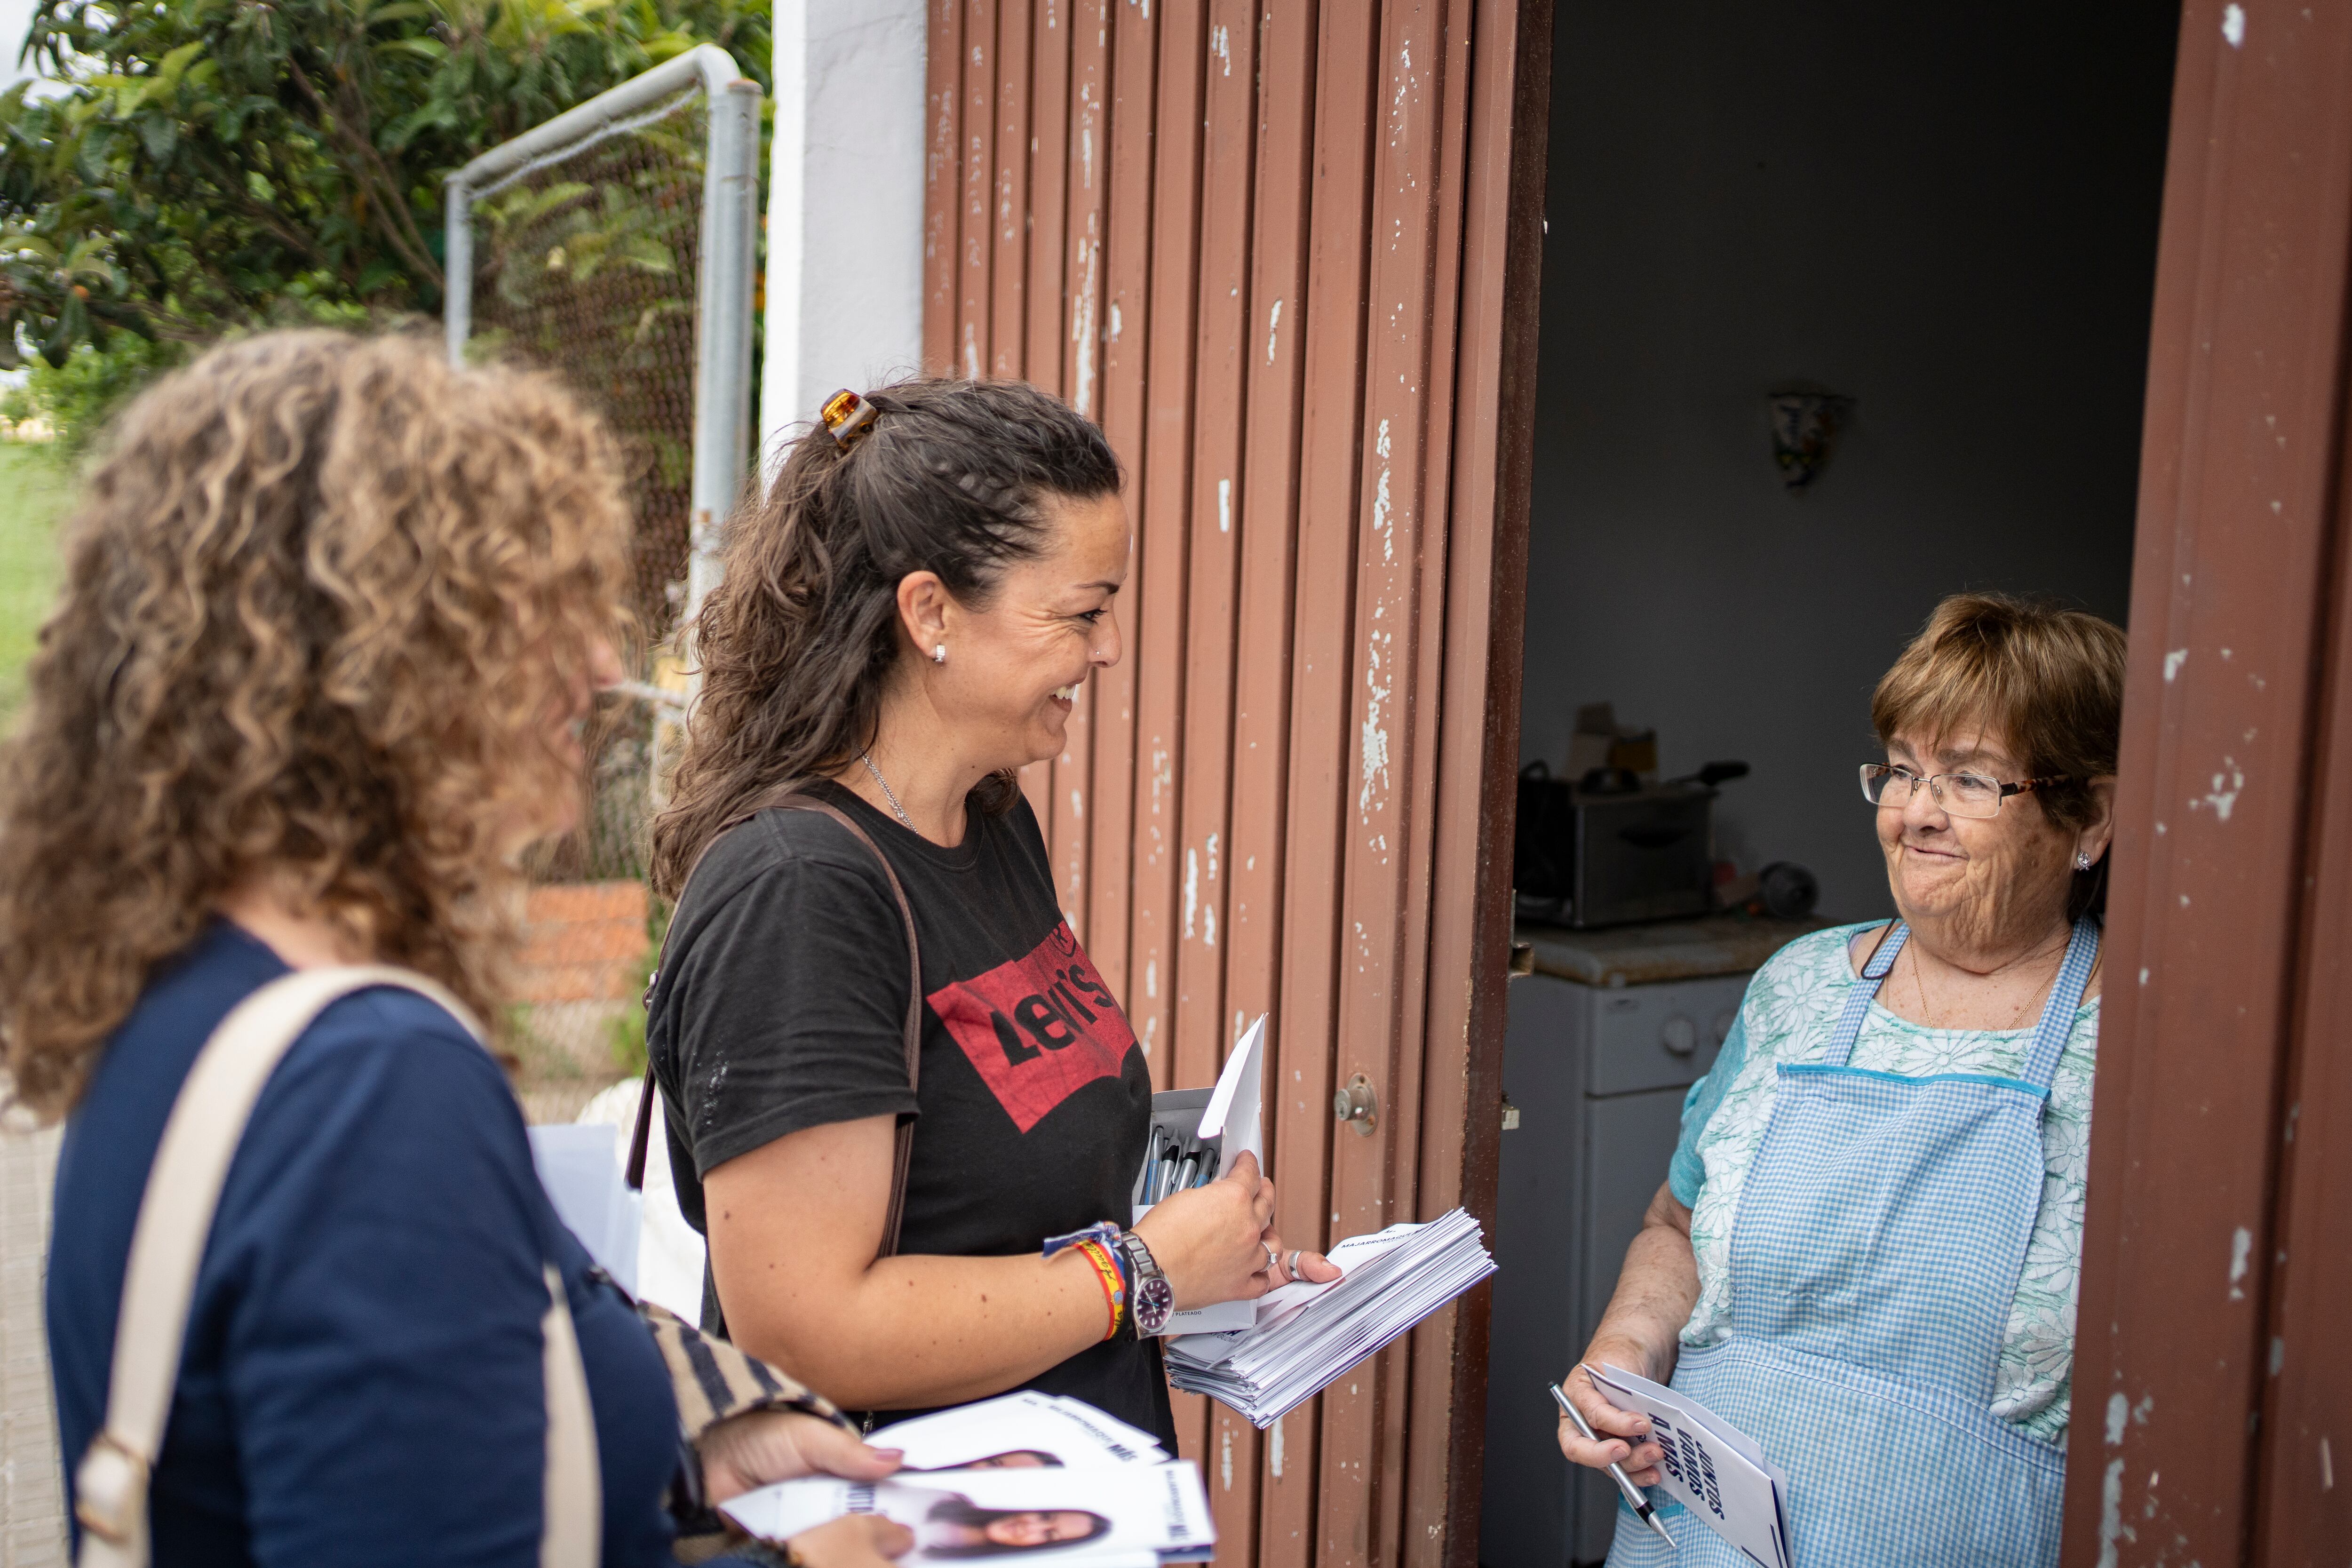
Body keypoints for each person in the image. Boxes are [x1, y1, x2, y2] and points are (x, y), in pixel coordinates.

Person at [0, 332, 912, 1568]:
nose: (598, 669)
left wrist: (682, 1436)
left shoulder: (177, 987)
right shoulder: (368, 1078)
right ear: (367, 662)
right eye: (529, 614)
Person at [644, 379, 1337, 1444]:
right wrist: (1142, 1271)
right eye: (1081, 611)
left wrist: (1208, 1262)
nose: (1106, 649)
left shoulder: (991, 823)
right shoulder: (798, 892)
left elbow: (1006, 1204)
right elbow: (806, 1325)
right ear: (930, 613)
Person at [1556, 592, 2124, 1567]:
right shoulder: (1803, 984)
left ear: (2090, 818)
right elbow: (1678, 1223)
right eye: (1901, 769)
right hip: (1692, 1545)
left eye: (1970, 779)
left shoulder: (2135, 1036)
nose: (1916, 813)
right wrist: (1624, 1349)